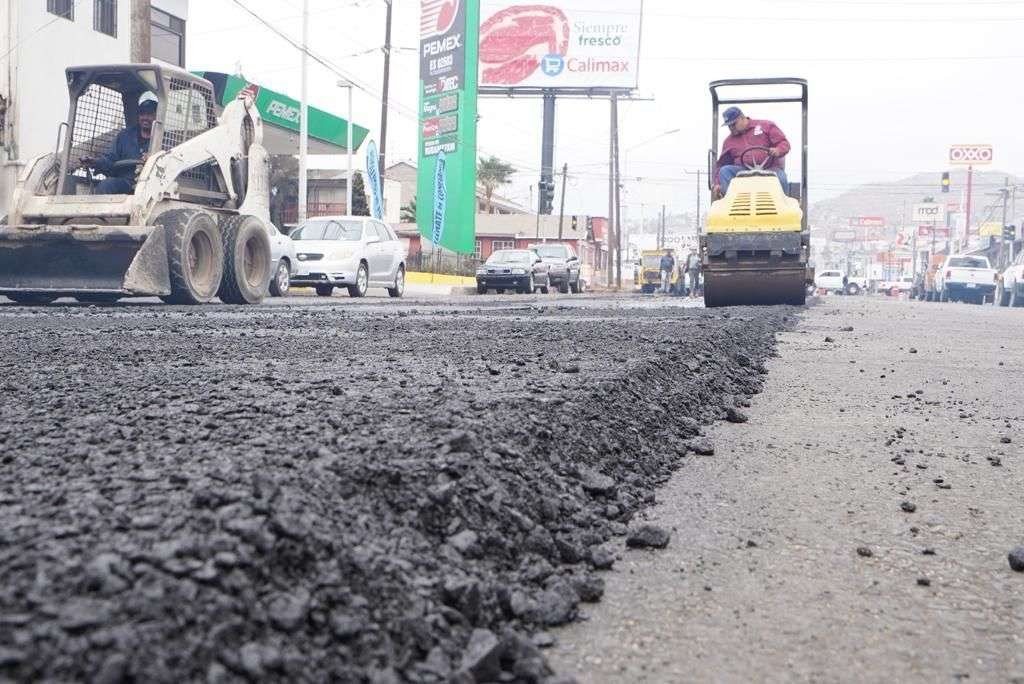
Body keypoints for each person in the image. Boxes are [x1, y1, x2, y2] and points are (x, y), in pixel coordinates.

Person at [82, 92, 158, 195]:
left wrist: (153, 159)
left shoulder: (164, 139)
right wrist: (95, 162)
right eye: (142, 114)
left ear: (157, 116)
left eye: (149, 114)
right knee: (106, 186)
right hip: (126, 182)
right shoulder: (125, 136)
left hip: (152, 186)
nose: (145, 117)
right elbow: (111, 160)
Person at [713, 106, 790, 198]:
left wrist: (778, 150)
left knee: (781, 177)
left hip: (769, 169)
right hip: (743, 171)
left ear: (742, 118)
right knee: (724, 171)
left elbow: (783, 143)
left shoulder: (766, 126)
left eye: (733, 124)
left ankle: (783, 205)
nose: (731, 128)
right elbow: (722, 164)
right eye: (729, 126)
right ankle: (732, 203)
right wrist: (717, 183)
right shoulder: (729, 141)